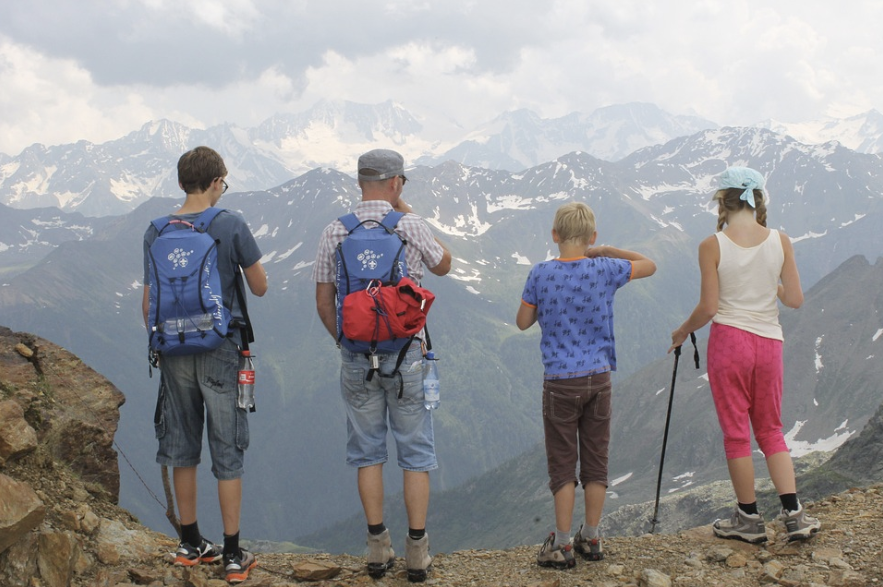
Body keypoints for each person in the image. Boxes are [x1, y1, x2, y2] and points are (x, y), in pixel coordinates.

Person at [312, 149, 452, 582]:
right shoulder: (409, 226)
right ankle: (416, 551)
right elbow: (444, 265)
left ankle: (376, 547)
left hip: (356, 358)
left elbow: (323, 301)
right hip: (407, 354)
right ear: (395, 183)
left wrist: (347, 343)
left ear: (360, 183)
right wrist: (406, 210)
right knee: (415, 452)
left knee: (367, 451)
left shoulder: (334, 231)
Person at [670, 166, 821, 543]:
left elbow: (708, 308)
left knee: (737, 433)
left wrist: (682, 331)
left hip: (730, 342)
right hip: (769, 342)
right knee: (771, 429)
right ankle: (795, 515)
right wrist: (774, 289)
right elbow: (796, 299)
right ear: (758, 201)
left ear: (723, 201)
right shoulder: (780, 240)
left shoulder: (712, 245)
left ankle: (749, 520)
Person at [142, 146, 268, 584]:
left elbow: (149, 304)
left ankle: (189, 543)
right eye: (224, 182)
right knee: (226, 448)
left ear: (181, 183)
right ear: (216, 183)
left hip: (173, 348)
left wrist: (170, 338)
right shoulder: (229, 223)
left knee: (181, 446)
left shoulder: (156, 231)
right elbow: (260, 285)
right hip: (222, 348)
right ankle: (233, 554)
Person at [516, 201, 656, 569]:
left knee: (563, 464)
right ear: (592, 237)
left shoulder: (540, 274)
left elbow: (522, 321)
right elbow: (650, 265)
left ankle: (561, 545)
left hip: (560, 382)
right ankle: (591, 537)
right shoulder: (606, 268)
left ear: (554, 235)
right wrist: (609, 250)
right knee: (596, 461)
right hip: (599, 378)